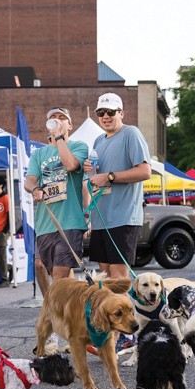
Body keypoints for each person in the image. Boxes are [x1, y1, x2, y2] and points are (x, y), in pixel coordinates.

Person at [83, 93, 152, 278]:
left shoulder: (131, 133)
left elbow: (145, 171)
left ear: (121, 113)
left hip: (123, 218)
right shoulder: (98, 140)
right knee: (104, 277)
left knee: (118, 277)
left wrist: (109, 176)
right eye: (101, 112)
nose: (105, 116)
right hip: (100, 220)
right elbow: (97, 177)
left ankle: (125, 308)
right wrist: (90, 170)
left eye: (111, 112)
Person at [25, 107, 89, 298]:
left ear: (70, 125)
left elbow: (70, 165)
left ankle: (57, 319)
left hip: (69, 223)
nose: (57, 120)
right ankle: (58, 310)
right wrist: (35, 189)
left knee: (60, 276)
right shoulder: (39, 153)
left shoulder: (79, 146)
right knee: (50, 272)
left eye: (62, 118)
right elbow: (30, 180)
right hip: (46, 223)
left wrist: (59, 137)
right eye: (53, 117)